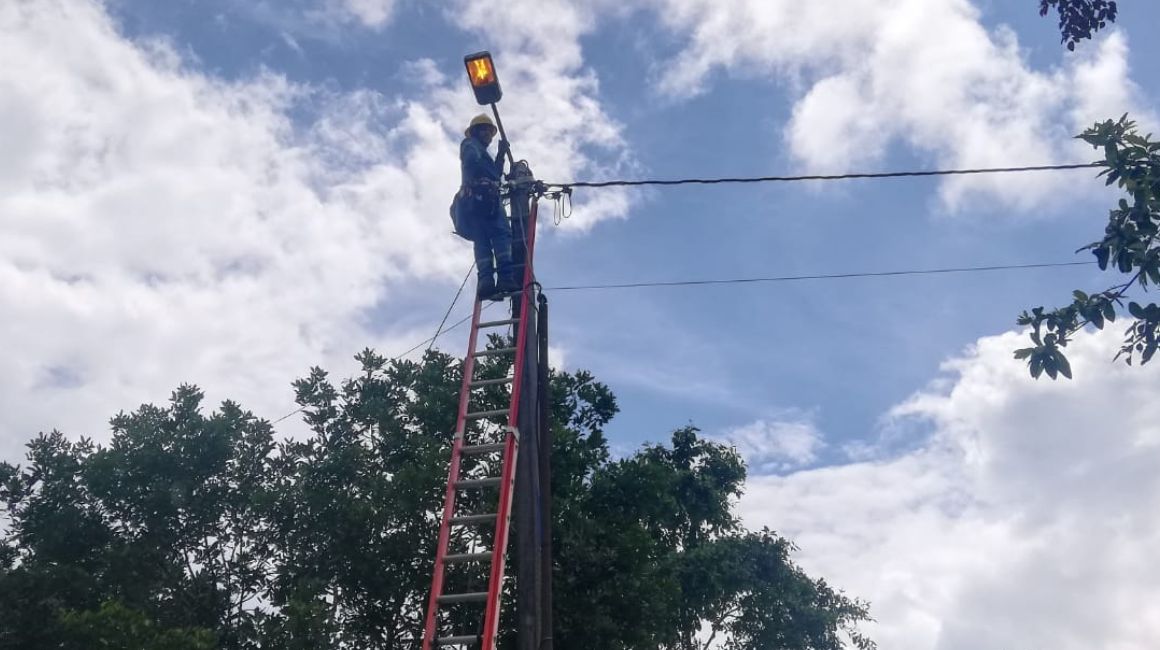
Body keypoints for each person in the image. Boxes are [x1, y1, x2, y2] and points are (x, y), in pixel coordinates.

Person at [459, 113, 518, 300]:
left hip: (475, 204)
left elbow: (494, 173)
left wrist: (501, 155)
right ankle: (505, 278)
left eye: (489, 131)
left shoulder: (481, 152)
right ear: (475, 131)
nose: (487, 134)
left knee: (482, 240)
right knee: (500, 235)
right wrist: (485, 177)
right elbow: (477, 165)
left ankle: (486, 283)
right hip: (485, 199)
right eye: (484, 129)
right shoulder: (470, 145)